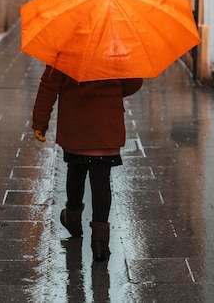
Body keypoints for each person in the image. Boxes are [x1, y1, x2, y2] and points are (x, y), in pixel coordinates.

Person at [32, 64, 143, 261]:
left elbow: (49, 84)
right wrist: (112, 91)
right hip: (106, 126)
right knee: (101, 181)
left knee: (75, 171)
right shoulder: (115, 49)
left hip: (76, 124)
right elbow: (134, 82)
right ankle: (100, 242)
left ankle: (73, 218)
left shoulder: (65, 49)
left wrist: (40, 122)